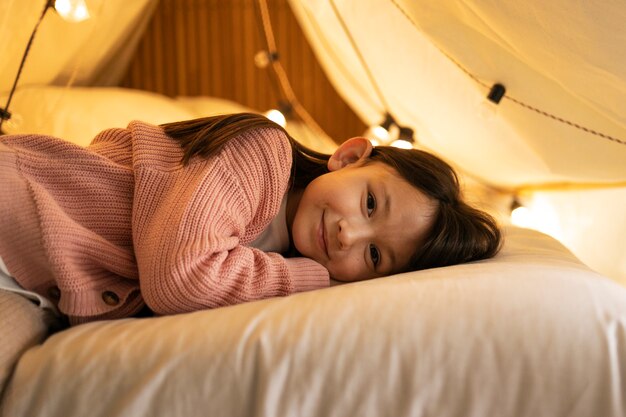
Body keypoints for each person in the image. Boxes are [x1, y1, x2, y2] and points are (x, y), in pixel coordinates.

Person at [0, 112, 501, 326]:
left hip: (24, 277)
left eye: (375, 255)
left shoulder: (270, 267)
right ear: (349, 157)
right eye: (370, 203)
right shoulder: (260, 153)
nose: (350, 233)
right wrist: (318, 280)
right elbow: (180, 279)